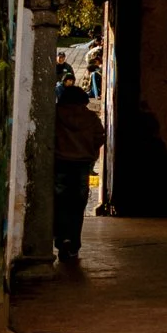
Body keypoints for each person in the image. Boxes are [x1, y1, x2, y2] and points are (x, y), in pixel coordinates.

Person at [53, 80, 106, 263]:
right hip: (82, 165)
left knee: (59, 203)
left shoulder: (55, 115)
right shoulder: (91, 118)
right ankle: (74, 244)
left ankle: (61, 239)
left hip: (59, 164)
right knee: (77, 205)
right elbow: (100, 137)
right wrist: (89, 153)